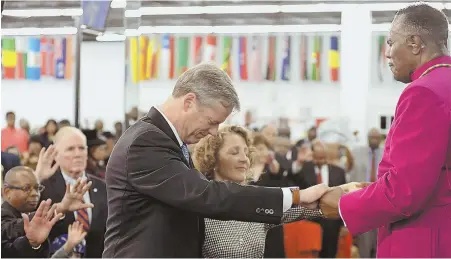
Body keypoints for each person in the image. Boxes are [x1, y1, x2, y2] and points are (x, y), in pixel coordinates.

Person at [103, 63, 333, 257]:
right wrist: (296, 195)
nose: (213, 132)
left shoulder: (166, 141)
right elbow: (207, 195)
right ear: (189, 101)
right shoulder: (147, 142)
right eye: (212, 121)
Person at [320, 3, 451, 258]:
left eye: (391, 42)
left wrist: (344, 203)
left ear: (414, 43)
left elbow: (405, 192)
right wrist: (371, 189)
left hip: (424, 240)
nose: (388, 53)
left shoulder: (423, 92)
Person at [193, 125, 326, 257]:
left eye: (246, 153)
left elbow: (312, 206)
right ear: (213, 159)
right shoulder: (199, 206)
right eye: (234, 152)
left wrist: (342, 193)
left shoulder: (259, 201)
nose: (244, 159)